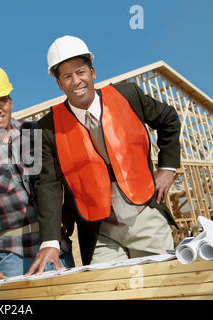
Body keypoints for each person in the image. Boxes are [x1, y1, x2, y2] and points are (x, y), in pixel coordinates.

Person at [27, 35, 180, 274]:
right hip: (100, 232)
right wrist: (50, 241)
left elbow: (169, 119)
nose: (76, 81)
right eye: (66, 76)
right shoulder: (47, 128)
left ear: (93, 72)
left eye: (81, 72)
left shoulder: (128, 96)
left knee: (160, 287)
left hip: (144, 218)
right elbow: (47, 183)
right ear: (59, 84)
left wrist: (167, 168)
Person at [0, 64, 74, 299]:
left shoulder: (35, 133)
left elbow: (61, 180)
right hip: (11, 256)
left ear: (11, 102)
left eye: (2, 100)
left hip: (55, 247)